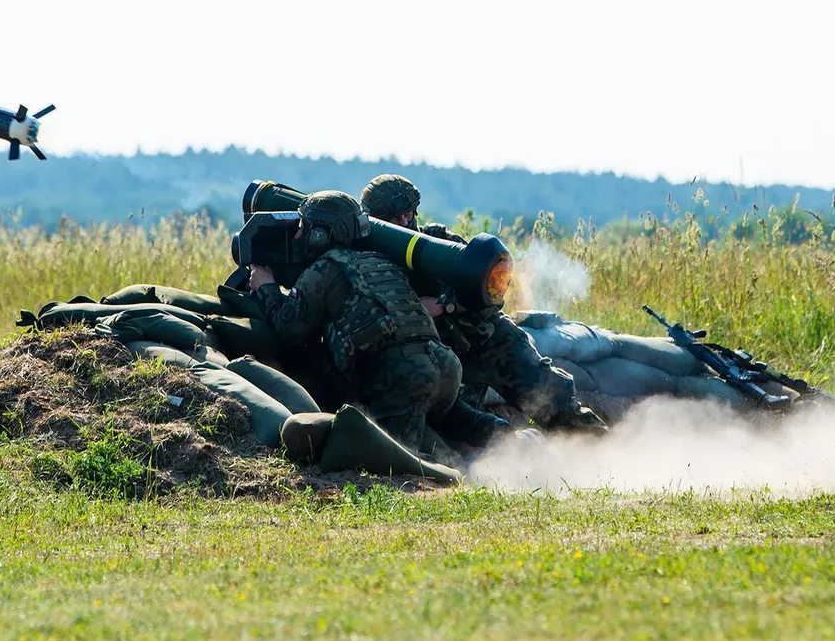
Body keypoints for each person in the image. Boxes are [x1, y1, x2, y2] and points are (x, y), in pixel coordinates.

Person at [248, 190, 509, 453]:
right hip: (445, 364)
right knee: (456, 420)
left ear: (321, 234)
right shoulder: (381, 260)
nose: (297, 235)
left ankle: (462, 474)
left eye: (304, 227)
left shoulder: (323, 270)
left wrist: (266, 287)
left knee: (398, 456)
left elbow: (288, 329)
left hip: (404, 374)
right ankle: (511, 438)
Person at [359, 174, 608, 434]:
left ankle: (598, 447)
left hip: (486, 341)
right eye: (394, 218)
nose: (404, 222)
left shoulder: (440, 242)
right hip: (441, 361)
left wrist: (444, 307)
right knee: (463, 429)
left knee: (549, 396)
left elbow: (491, 295)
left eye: (408, 214)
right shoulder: (371, 265)